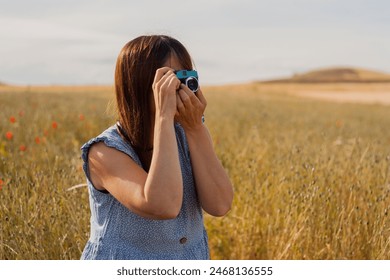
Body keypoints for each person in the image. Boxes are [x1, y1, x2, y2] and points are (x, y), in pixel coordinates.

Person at [80, 35, 234, 260]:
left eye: (185, 76)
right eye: (169, 79)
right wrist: (163, 116)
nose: (180, 87)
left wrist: (195, 129)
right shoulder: (104, 151)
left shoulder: (187, 134)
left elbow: (220, 205)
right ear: (139, 84)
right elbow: (163, 206)